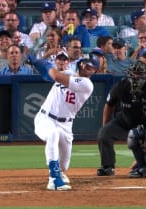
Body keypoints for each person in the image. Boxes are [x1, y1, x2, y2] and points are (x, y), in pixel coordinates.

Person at [29, 53, 100, 190]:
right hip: (45, 118)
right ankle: (54, 179)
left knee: (64, 166)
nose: (86, 67)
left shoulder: (87, 85)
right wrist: (36, 62)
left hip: (66, 125)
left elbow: (55, 75)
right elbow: (48, 75)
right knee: (53, 134)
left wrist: (45, 63)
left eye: (90, 67)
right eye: (85, 63)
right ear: (81, 63)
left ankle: (59, 173)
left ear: (94, 71)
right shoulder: (68, 72)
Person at [97, 60, 146, 176]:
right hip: (124, 121)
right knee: (104, 134)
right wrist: (105, 125)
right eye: (133, 73)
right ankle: (107, 166)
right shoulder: (121, 86)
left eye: (139, 74)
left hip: (145, 125)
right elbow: (108, 105)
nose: (135, 77)